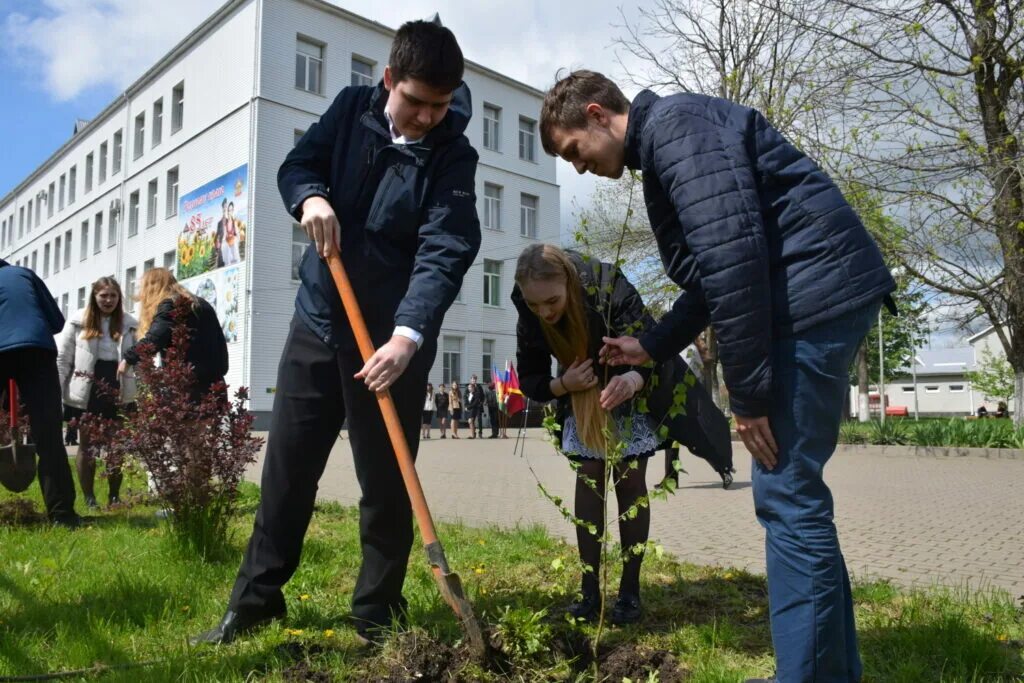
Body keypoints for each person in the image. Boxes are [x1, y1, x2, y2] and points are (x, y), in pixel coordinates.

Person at [540, 70, 896, 682]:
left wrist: (749, 395)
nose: (578, 168)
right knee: (797, 497)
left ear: (597, 115)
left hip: (811, 302)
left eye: (574, 151)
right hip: (817, 296)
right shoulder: (672, 140)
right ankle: (829, 671)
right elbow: (713, 274)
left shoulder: (679, 134)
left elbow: (735, 262)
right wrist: (650, 344)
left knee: (786, 495)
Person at [192, 19, 479, 647]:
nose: (429, 116)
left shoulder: (453, 154)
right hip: (320, 320)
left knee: (386, 481)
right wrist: (311, 198)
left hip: (391, 345)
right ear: (388, 80)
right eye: (416, 101)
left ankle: (377, 610)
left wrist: (408, 337)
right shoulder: (352, 109)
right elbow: (299, 165)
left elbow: (447, 246)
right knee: (288, 469)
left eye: (441, 103)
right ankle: (257, 599)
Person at [514, 244, 726, 625]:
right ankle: (589, 589)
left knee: (630, 482)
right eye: (534, 305)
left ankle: (629, 591)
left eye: (551, 301)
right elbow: (530, 377)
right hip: (581, 397)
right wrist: (563, 384)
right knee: (589, 479)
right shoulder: (527, 307)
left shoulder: (608, 285)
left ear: (569, 282)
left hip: (629, 387)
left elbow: (651, 340)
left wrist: (634, 377)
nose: (544, 312)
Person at [0, 258, 79, 527]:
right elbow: (56, 322)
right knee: (49, 437)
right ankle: (63, 516)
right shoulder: (24, 274)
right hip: (37, 350)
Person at [56, 277, 139, 509]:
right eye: (103, 295)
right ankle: (89, 498)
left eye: (113, 295)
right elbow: (63, 359)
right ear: (94, 297)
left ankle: (114, 496)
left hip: (118, 386)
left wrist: (143, 390)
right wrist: (56, 389)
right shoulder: (76, 322)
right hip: (87, 387)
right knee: (87, 445)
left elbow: (140, 360)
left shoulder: (130, 324)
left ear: (119, 298)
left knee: (117, 445)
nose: (108, 300)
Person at [122, 268, 228, 403]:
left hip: (185, 386)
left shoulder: (169, 304)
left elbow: (154, 340)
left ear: (152, 288)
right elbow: (220, 344)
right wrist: (219, 373)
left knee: (184, 424)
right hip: (214, 384)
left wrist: (128, 359)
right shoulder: (203, 305)